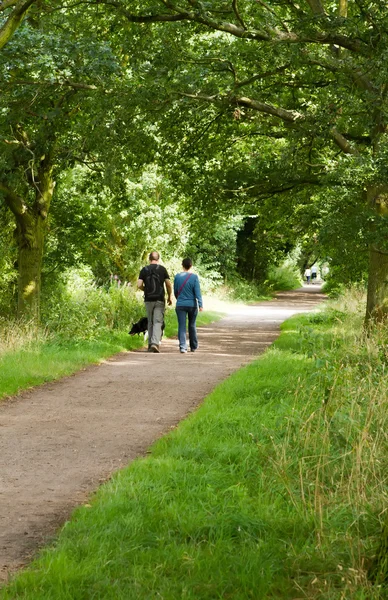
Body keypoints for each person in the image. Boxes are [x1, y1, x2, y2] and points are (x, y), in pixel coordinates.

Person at [137, 251, 172, 353]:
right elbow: (168, 284)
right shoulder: (162, 269)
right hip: (159, 299)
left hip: (148, 299)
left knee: (150, 322)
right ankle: (155, 343)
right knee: (158, 321)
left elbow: (139, 284)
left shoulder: (144, 270)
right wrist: (170, 296)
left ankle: (149, 345)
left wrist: (145, 290)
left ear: (149, 259)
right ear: (158, 259)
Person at [174, 258, 203, 354]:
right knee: (192, 325)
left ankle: (183, 347)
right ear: (191, 265)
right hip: (192, 305)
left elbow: (175, 291)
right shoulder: (194, 277)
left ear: (182, 265)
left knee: (182, 326)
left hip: (180, 304)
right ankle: (193, 346)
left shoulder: (177, 276)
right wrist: (200, 304)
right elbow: (197, 292)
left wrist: (179, 299)